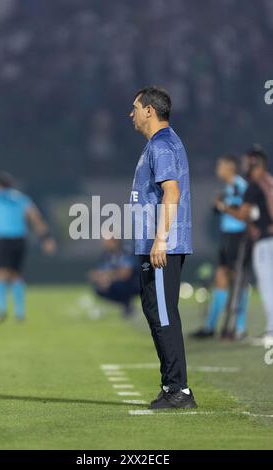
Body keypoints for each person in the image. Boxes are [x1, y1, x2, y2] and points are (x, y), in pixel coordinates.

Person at [129, 86, 196, 410]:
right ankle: (172, 386)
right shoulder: (157, 145)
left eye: (135, 107)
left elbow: (172, 193)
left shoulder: (163, 145)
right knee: (157, 314)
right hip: (153, 245)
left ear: (149, 111)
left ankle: (178, 390)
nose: (132, 114)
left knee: (164, 315)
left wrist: (161, 240)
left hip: (162, 247)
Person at [0, 172, 56, 322]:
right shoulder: (21, 198)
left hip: (5, 239)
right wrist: (46, 238)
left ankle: (1, 312)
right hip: (20, 239)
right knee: (15, 275)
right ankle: (20, 313)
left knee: (0, 274)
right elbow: (35, 218)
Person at [215, 147, 273, 346]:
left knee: (265, 286)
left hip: (264, 240)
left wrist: (223, 207)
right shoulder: (269, 181)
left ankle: (269, 330)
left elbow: (242, 214)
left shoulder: (253, 185)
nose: (245, 166)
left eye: (247, 163)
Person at [192, 155, 250, 340]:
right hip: (228, 237)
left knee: (238, 281)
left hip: (238, 237)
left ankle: (238, 327)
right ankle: (211, 326)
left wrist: (222, 206)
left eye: (220, 165)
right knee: (221, 278)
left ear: (230, 167)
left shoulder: (239, 186)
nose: (218, 169)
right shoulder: (227, 187)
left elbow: (243, 214)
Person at [88, 238, 139, 316]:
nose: (104, 243)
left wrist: (108, 277)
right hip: (118, 281)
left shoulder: (127, 250)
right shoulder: (107, 254)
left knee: (116, 286)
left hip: (134, 283)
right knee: (100, 289)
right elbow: (98, 272)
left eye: (106, 241)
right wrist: (100, 277)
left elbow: (126, 273)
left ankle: (127, 305)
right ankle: (126, 305)